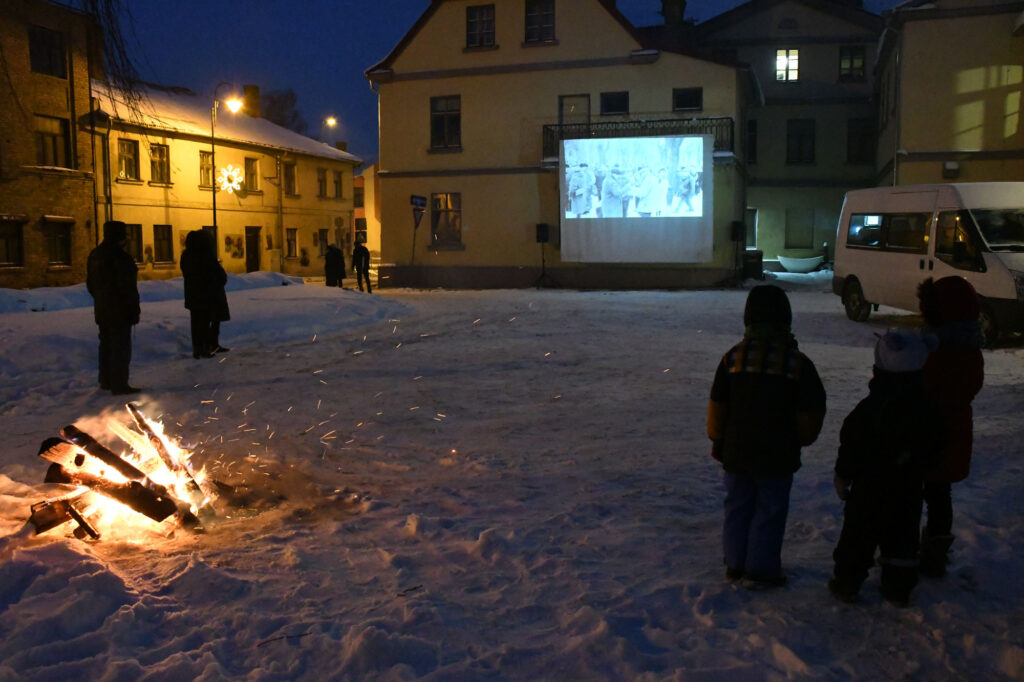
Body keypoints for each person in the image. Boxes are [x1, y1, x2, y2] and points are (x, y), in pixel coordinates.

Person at [707, 285, 826, 588]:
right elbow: (810, 413)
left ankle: (735, 563)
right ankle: (760, 570)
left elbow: (718, 408)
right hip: (777, 455)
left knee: (737, 506)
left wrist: (718, 439)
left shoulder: (732, 359)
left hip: (736, 452)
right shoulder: (797, 363)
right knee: (769, 510)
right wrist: (801, 438)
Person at [829, 330, 942, 606]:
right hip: (908, 487)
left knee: (858, 535)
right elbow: (935, 444)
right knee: (903, 536)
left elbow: (852, 441)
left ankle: (847, 581)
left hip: (868, 487)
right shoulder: (926, 408)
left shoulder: (871, 408)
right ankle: (898, 585)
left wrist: (844, 473)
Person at [916, 276, 984, 577]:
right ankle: (935, 552)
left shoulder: (938, 350)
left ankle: (906, 552)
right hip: (954, 433)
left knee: (914, 492)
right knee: (940, 495)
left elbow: (923, 387)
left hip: (926, 434)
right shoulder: (969, 349)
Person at [86, 220, 141, 395]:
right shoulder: (120, 258)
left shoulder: (95, 255)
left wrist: (101, 298)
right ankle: (119, 384)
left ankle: (106, 380)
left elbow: (90, 283)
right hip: (120, 309)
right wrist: (133, 309)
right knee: (120, 347)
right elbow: (127, 287)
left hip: (102, 307)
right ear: (120, 237)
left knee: (106, 344)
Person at [180, 230, 231, 359]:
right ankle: (208, 346)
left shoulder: (186, 256)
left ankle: (199, 348)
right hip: (208, 295)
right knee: (209, 321)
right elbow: (219, 275)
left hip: (193, 296)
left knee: (197, 322)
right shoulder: (205, 256)